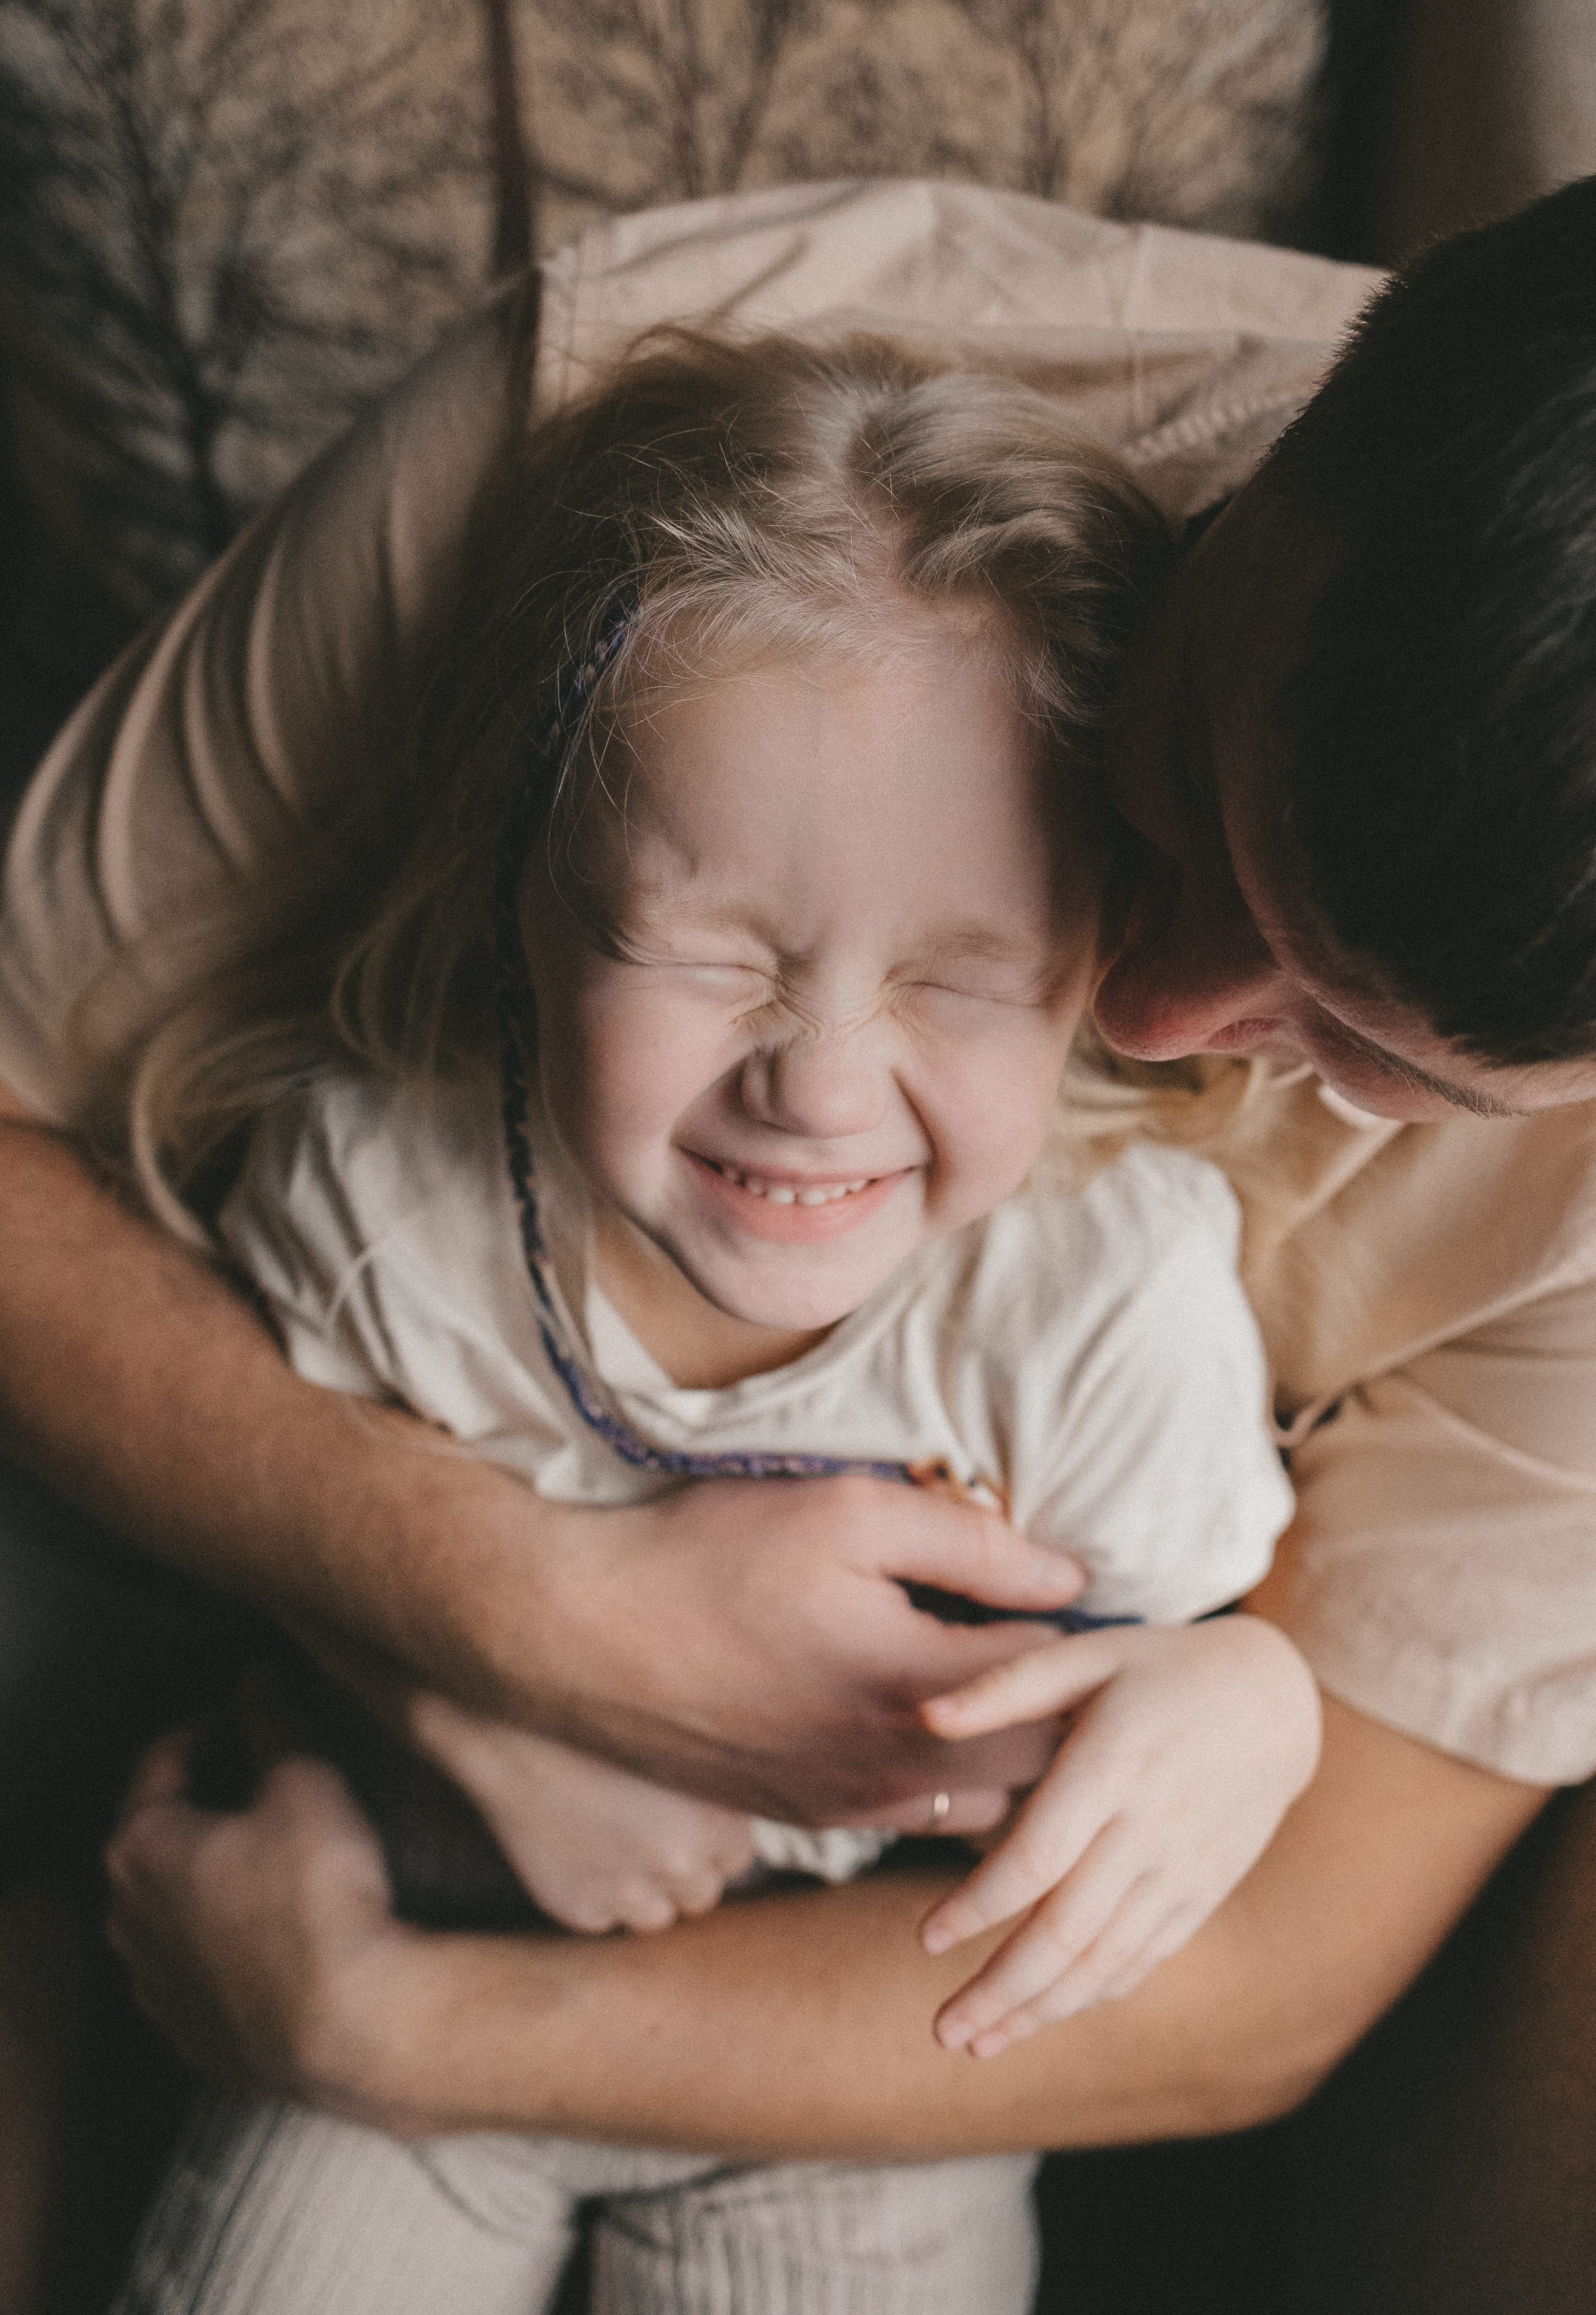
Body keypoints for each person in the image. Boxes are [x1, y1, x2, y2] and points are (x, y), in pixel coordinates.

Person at [0, 178, 1596, 2290]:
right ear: (1309, 435)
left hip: (820, 1984)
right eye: (1176, 787)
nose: (1149, 1014)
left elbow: (1271, 1960)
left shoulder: (1108, 1320)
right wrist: (507, 1620)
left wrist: (371, 2024)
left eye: (1384, 1062)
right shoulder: (633, 412)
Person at [107, 329, 1315, 2311]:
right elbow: (276, 1536)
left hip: (860, 2057)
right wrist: (472, 1728)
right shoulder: (378, 1210)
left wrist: (1247, 1705)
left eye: (959, 976)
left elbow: (1203, 1661)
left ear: (1094, 959)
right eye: (708, 955)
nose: (819, 1090)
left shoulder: (1103, 1313)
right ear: (524, 889)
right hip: (409, 1947)